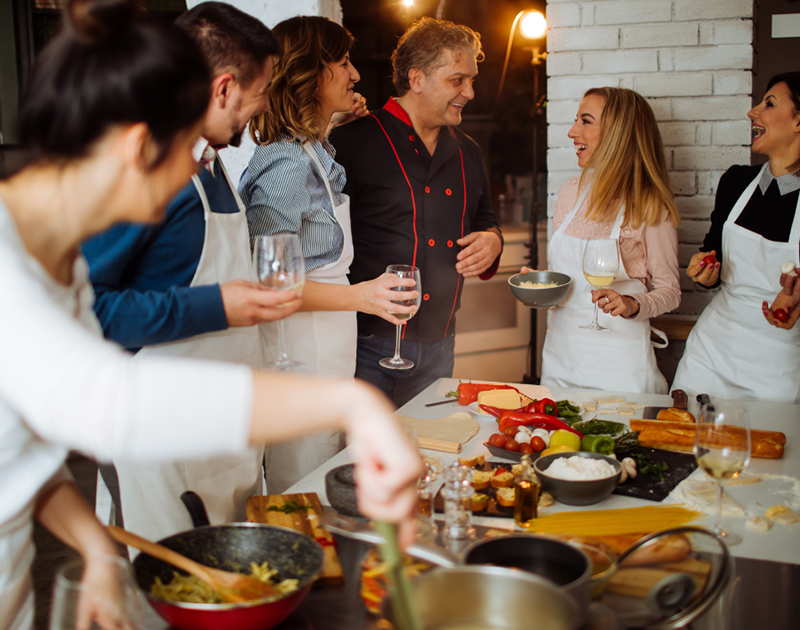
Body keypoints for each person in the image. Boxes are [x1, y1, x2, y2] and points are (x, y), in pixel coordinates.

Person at [0, 2, 420, 628]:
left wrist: (90, 543)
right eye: (182, 160)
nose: (195, 175)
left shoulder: (57, 262)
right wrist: (353, 405)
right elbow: (115, 402)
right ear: (137, 146)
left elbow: (26, 450)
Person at [80, 1, 293, 543]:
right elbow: (87, 308)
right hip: (155, 441)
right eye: (262, 91)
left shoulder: (210, 160)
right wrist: (219, 305)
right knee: (166, 596)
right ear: (223, 89)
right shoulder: (143, 164)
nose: (262, 107)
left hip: (217, 435)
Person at [239, 16, 418, 493]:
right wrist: (364, 297)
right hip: (298, 348)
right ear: (310, 75)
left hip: (327, 341)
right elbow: (268, 283)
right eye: (342, 63)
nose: (355, 74)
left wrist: (331, 120)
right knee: (300, 478)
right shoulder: (284, 162)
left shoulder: (312, 151)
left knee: (322, 463)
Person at [330, 17, 503, 407]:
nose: (470, 92)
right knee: (362, 461)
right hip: (366, 346)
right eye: (457, 80)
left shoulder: (468, 151)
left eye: (471, 80)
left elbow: (484, 219)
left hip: (442, 344)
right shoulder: (352, 141)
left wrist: (492, 240)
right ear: (417, 78)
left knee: (428, 456)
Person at [533, 87, 680, 394]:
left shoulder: (650, 205)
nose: (573, 132)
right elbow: (567, 282)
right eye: (576, 120)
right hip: (561, 353)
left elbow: (670, 291)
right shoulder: (569, 193)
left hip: (619, 363)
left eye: (586, 121)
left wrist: (631, 304)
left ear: (619, 133)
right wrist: (542, 287)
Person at [674, 72, 800, 402]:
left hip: (779, 359)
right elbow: (712, 260)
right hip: (714, 350)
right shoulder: (736, 183)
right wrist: (704, 271)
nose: (752, 111)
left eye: (769, 104)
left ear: (799, 121)